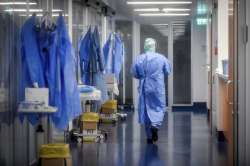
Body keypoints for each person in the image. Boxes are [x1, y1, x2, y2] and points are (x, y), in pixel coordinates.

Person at [131, 38, 171, 144]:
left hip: (145, 87)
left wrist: (144, 75)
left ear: (145, 46)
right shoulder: (162, 58)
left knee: (146, 110)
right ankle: (155, 126)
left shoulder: (139, 59)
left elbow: (134, 73)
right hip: (158, 87)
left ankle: (149, 136)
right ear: (154, 46)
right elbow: (167, 71)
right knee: (159, 107)